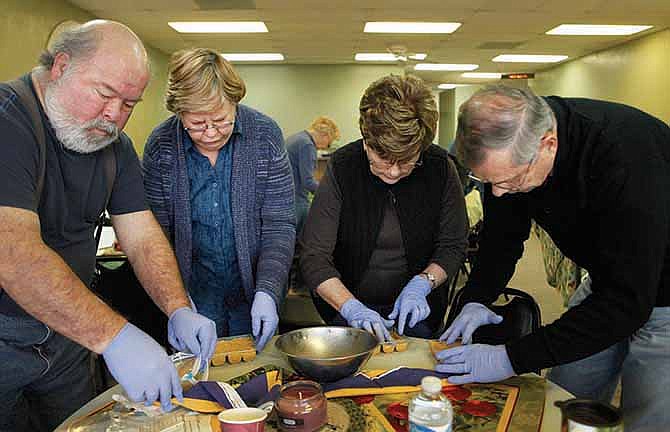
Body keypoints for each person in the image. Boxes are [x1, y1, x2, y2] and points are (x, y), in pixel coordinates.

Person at [0, 20, 216, 430]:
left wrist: (177, 308)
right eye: (105, 94)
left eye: (129, 104)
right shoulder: (8, 120)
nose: (114, 115)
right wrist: (114, 337)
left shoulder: (114, 146)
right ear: (61, 66)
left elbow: (141, 234)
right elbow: (13, 256)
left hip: (67, 335)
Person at [435, 85, 670, 431]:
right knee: (564, 396)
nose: (499, 193)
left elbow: (627, 302)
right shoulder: (512, 155)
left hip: (662, 289)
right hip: (608, 278)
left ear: (548, 144)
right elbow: (502, 239)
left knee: (649, 414)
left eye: (510, 180)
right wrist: (476, 298)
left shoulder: (623, 156)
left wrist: (510, 357)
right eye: (488, 182)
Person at [143, 48, 295, 353]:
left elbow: (279, 225)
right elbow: (154, 234)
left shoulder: (265, 135)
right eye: (197, 124)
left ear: (235, 102)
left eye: (221, 120)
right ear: (179, 113)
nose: (211, 132)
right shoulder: (161, 146)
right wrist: (177, 306)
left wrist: (268, 291)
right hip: (193, 296)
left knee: (258, 378)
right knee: (199, 384)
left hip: (254, 294)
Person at [300, 74, 469, 342]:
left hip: (418, 310)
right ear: (366, 139)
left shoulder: (439, 167)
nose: (392, 171)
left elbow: (453, 244)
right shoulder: (344, 166)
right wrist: (350, 306)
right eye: (382, 158)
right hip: (346, 302)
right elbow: (314, 257)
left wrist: (423, 283)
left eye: (406, 161)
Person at [286, 116, 340, 234]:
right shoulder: (307, 145)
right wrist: (329, 193)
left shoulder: (296, 138)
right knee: (303, 241)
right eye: (329, 143)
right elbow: (308, 182)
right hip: (296, 201)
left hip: (286, 198)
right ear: (325, 136)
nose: (326, 147)